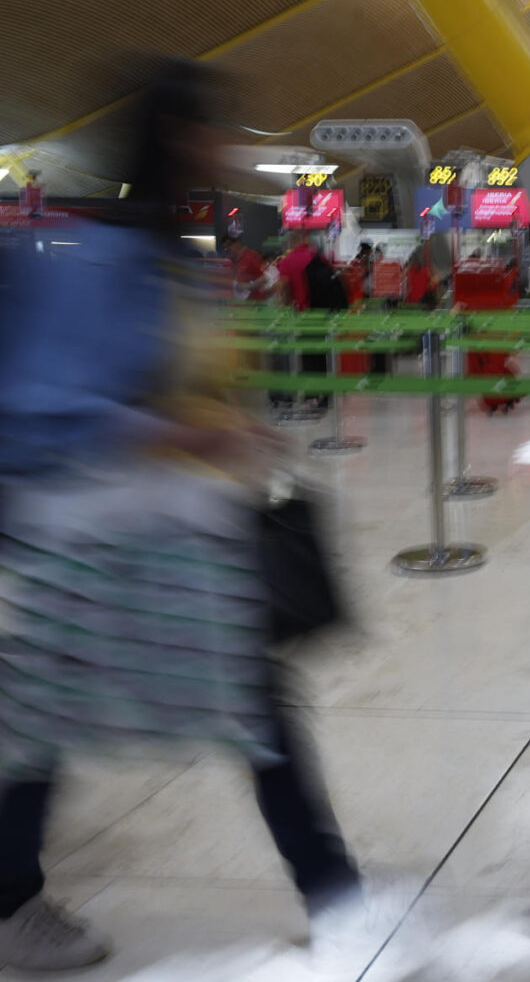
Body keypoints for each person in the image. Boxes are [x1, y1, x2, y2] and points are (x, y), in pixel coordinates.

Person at [0, 60, 362, 973]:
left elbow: (170, 379)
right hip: (96, 540)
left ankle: (337, 892)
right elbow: (45, 402)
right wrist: (183, 432)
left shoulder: (168, 250)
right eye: (213, 132)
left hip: (168, 538)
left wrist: (222, 425)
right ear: (173, 137)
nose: (227, 151)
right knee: (57, 723)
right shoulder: (100, 254)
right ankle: (336, 895)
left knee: (237, 710)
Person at [223, 234, 272, 301]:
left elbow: (266, 277)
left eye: (229, 245)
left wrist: (246, 286)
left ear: (237, 243)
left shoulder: (251, 256)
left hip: (256, 304)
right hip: (244, 304)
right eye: (225, 248)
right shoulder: (234, 260)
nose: (227, 250)